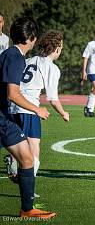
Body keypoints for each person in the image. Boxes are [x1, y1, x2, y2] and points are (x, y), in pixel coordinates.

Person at [0, 17, 56, 218]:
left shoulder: (12, 55)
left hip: (5, 116)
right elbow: (13, 94)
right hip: (2, 118)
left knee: (26, 158)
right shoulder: (15, 57)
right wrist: (37, 109)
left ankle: (27, 209)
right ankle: (27, 208)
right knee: (26, 158)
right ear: (32, 38)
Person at [4, 30, 70, 196]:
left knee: (19, 144)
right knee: (34, 151)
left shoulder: (28, 60)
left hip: (13, 106)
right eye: (61, 47)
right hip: (30, 109)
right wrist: (63, 113)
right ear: (56, 49)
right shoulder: (52, 68)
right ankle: (28, 190)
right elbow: (53, 98)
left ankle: (13, 160)